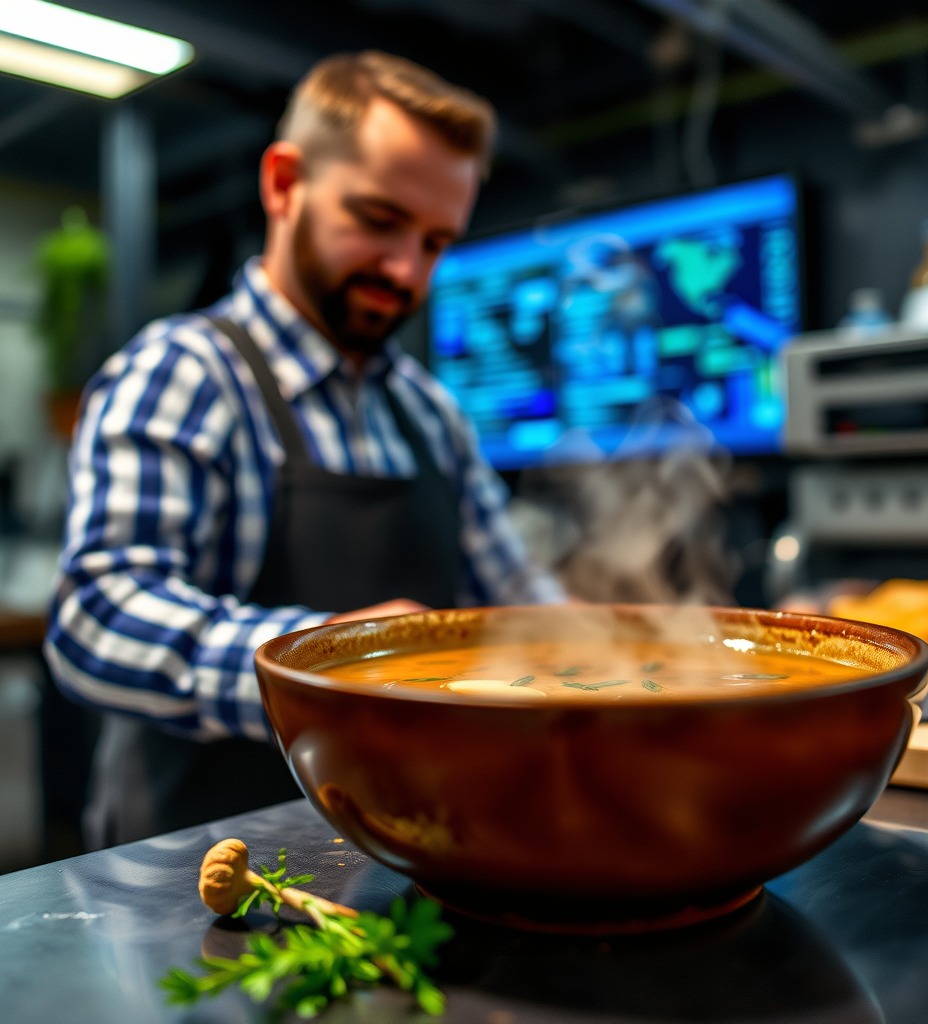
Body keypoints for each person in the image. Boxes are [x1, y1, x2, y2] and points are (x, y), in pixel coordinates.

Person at [43, 50, 564, 849]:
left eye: (434, 243)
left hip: (401, 861)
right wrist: (333, 665)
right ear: (285, 183)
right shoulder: (185, 375)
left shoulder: (430, 413)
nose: (406, 271)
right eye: (380, 221)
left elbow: (521, 598)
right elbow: (97, 617)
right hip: (203, 883)